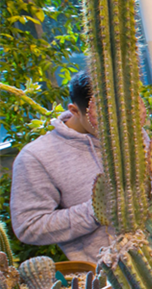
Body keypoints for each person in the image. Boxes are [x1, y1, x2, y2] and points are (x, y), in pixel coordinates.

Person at [10, 71, 112, 263]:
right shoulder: (37, 156)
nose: (116, 124)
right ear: (74, 110)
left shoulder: (133, 132)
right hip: (103, 272)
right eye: (104, 116)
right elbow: (28, 226)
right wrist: (97, 210)